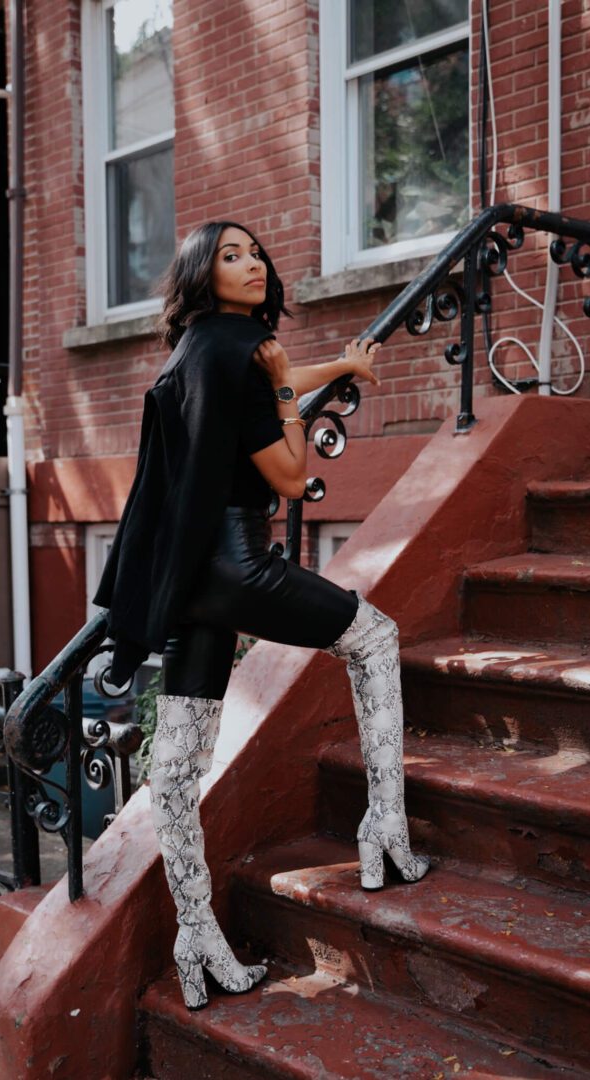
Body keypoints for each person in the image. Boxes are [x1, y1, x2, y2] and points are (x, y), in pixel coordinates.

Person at [93, 221, 430, 1011]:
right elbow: (287, 474)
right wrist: (290, 393)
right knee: (374, 637)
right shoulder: (241, 355)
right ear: (201, 275)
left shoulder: (199, 351)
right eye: (230, 255)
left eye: (255, 252)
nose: (252, 264)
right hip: (239, 567)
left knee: (177, 769)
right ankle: (385, 832)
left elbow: (257, 375)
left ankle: (197, 937)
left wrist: (335, 364)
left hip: (186, 586)